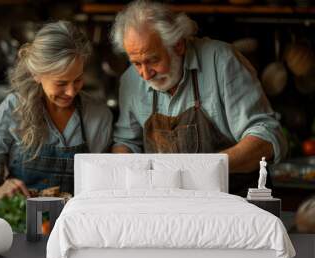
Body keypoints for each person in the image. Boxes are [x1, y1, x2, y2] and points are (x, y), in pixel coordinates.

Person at [110, 0, 287, 194]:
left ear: (178, 45)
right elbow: (126, 144)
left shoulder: (221, 61)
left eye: (153, 60)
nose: (145, 74)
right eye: (136, 63)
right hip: (166, 203)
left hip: (233, 201)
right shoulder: (130, 81)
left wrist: (207, 168)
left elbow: (266, 138)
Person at [0, 21, 113, 201]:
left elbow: (104, 185)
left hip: (74, 224)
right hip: (19, 222)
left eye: (78, 80)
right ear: (37, 74)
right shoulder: (14, 107)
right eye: (61, 83)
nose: (71, 91)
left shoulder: (98, 116)